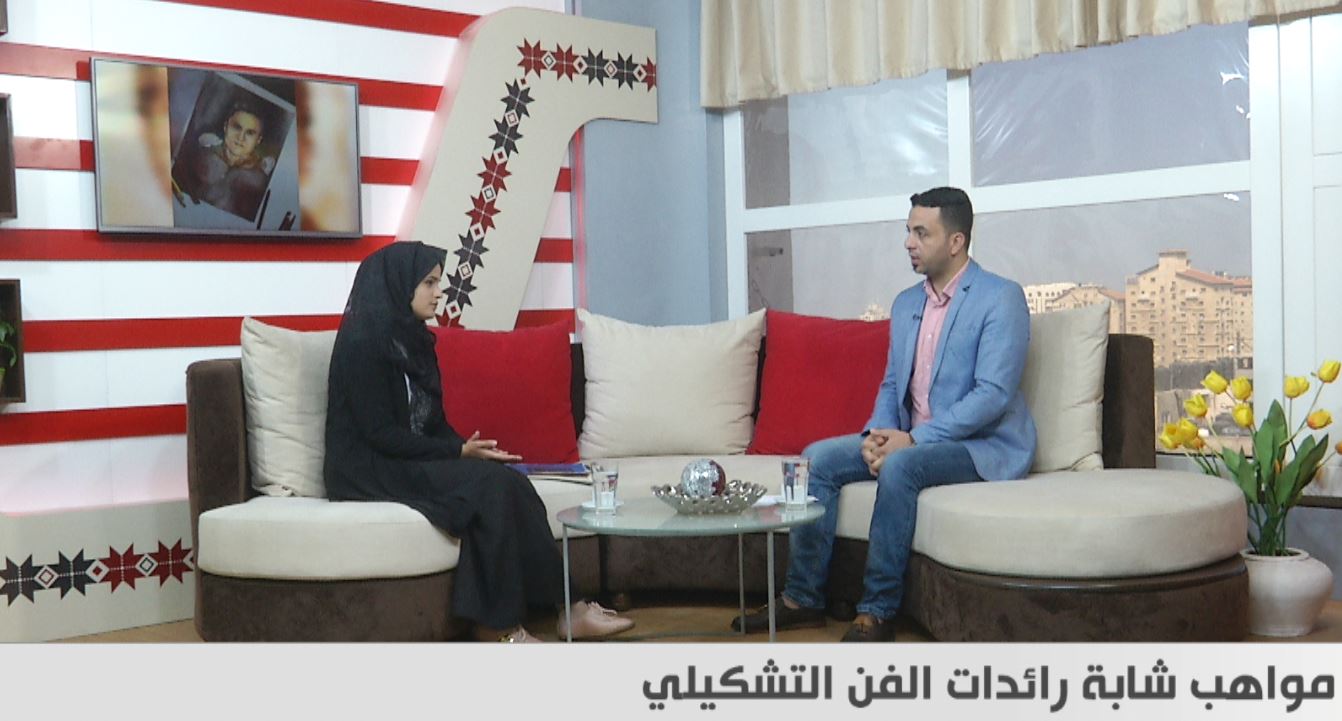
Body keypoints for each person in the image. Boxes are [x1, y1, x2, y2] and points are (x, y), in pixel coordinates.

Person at [733, 187, 1037, 642]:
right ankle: (802, 598)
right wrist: (879, 435)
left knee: (901, 466)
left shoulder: (1001, 297)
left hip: (980, 445)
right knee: (817, 458)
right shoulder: (906, 303)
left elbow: (992, 395)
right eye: (908, 231)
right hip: (911, 438)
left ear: (956, 242)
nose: (908, 243)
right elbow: (894, 383)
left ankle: (877, 610)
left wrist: (913, 441)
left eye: (921, 233)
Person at [324, 241, 634, 642]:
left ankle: (570, 608)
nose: (439, 293)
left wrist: (469, 450)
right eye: (429, 283)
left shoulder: (415, 340)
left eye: (439, 282)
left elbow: (431, 424)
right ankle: (498, 628)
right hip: (366, 468)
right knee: (489, 490)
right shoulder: (361, 345)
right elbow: (379, 434)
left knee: (511, 483)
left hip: (404, 457)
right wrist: (455, 452)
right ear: (399, 284)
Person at [189, 103, 272, 219]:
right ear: (225, 127)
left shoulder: (260, 180)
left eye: (250, 133)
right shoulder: (203, 155)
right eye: (237, 127)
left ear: (258, 140)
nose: (241, 137)